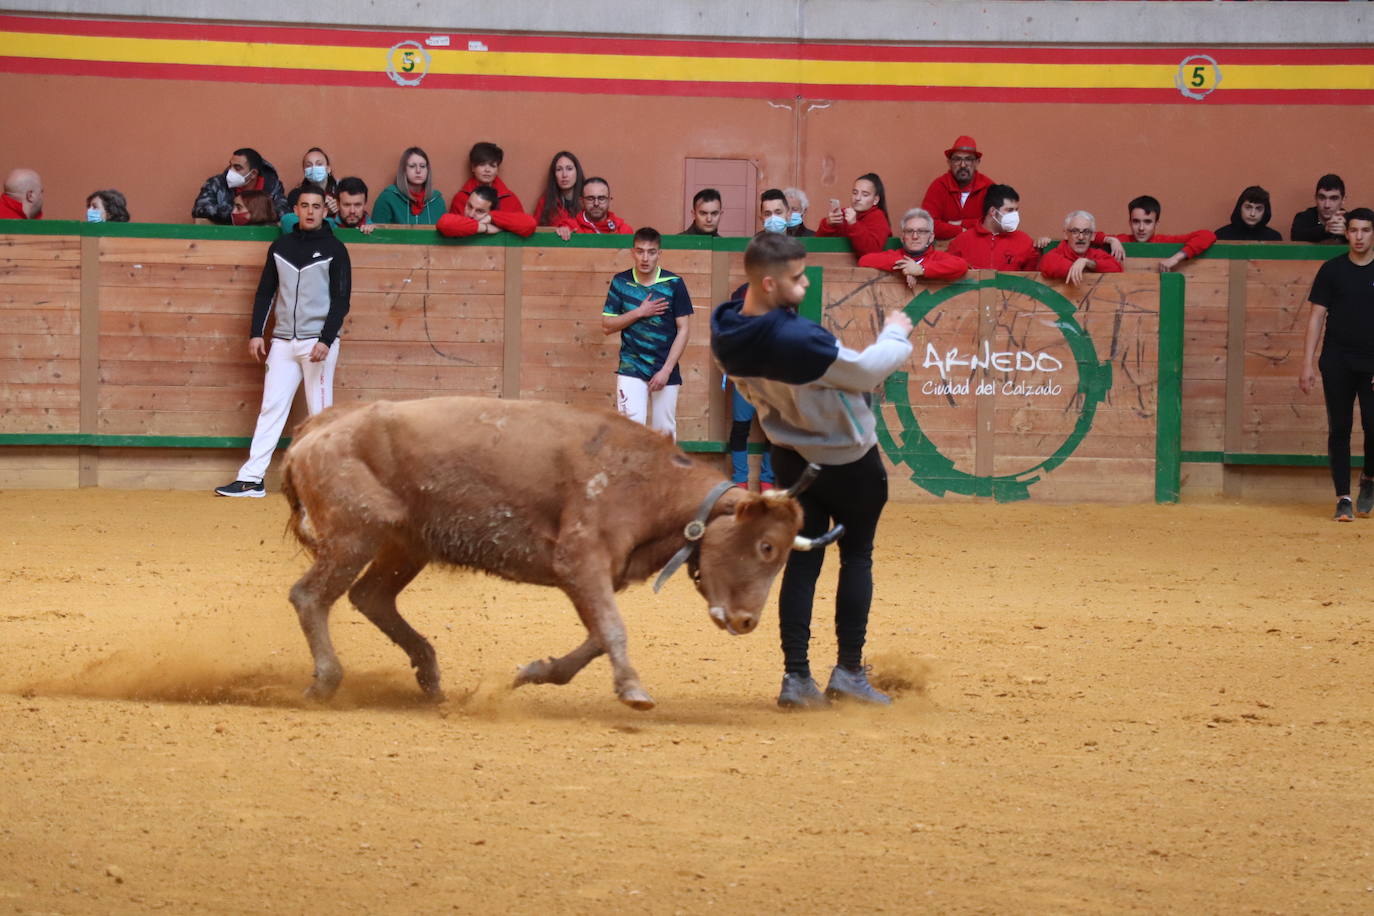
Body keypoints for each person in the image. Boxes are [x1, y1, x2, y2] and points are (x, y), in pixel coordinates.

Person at [711, 232, 912, 708]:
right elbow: (865, 372)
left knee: (802, 564)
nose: (803, 288)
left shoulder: (727, 333)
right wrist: (896, 333)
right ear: (767, 282)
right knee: (857, 556)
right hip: (849, 460)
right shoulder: (798, 340)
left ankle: (796, 678)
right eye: (796, 279)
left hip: (791, 458)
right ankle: (847, 673)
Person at [214, 186, 351, 498]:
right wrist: (255, 333)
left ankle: (325, 483)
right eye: (305, 206)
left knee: (320, 413)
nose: (311, 211)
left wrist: (326, 339)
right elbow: (265, 292)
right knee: (271, 408)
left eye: (317, 206)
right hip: (283, 342)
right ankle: (251, 478)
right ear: (296, 210)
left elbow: (340, 301)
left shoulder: (336, 250)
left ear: (325, 211)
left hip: (318, 343)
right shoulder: (280, 247)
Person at [1298, 207, 1374, 521]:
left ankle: (1369, 477)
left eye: (1365, 230)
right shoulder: (1332, 270)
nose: (1359, 236)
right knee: (1339, 428)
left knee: (1373, 425)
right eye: (1354, 230)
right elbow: (1316, 317)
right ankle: (1342, 497)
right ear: (1346, 233)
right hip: (1337, 360)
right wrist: (1307, 363)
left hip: (1372, 361)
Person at [601, 227, 692, 438]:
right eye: (640, 251)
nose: (645, 257)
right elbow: (607, 325)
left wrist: (667, 370)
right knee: (629, 432)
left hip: (664, 367)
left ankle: (664, 473)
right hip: (631, 367)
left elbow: (684, 329)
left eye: (651, 252)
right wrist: (640, 312)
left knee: (665, 433)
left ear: (659, 254)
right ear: (632, 252)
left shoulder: (674, 283)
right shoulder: (620, 282)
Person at [858, 207, 969, 288]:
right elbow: (864, 260)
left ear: (931, 237)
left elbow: (961, 265)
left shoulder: (938, 257)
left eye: (921, 231)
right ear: (902, 237)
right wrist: (904, 266)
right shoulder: (894, 256)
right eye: (910, 231)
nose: (915, 236)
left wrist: (920, 269)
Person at [1098, 195, 1214, 272]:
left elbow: (1207, 235)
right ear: (1130, 222)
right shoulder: (1122, 240)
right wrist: (1110, 240)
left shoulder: (1165, 241)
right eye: (1136, 221)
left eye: (1147, 222)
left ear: (1156, 224)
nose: (1141, 228)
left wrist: (1175, 259)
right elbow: (1089, 236)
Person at [947, 184, 1041, 270]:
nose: (1015, 215)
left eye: (1016, 210)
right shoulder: (961, 242)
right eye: (1010, 210)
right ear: (993, 211)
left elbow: (1033, 281)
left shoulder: (1024, 241)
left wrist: (1042, 247)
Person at [921, 135, 994, 240]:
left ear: (977, 162)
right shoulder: (938, 186)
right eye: (957, 159)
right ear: (949, 162)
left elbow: (996, 223)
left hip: (982, 248)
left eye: (968, 159)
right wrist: (961, 230)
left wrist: (962, 223)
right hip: (945, 250)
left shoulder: (989, 187)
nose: (963, 165)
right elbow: (926, 224)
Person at [192, 148, 286, 225]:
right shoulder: (216, 183)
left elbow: (283, 211)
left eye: (237, 168)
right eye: (231, 166)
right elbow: (200, 208)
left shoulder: (272, 185)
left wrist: (251, 213)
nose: (231, 171)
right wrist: (236, 214)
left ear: (253, 173)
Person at [816, 172, 891, 257]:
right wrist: (828, 224)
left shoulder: (878, 218)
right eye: (855, 193)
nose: (857, 198)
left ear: (875, 200)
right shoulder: (843, 213)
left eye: (865, 194)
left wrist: (853, 224)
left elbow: (871, 252)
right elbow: (818, 247)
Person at [1039, 210, 1123, 285]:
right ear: (1065, 234)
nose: (1081, 237)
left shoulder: (1097, 254)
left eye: (1086, 232)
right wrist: (1079, 267)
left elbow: (1117, 267)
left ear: (1093, 236)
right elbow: (1047, 263)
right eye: (1075, 231)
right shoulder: (1054, 255)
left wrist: (1087, 263)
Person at [371, 146, 445, 225]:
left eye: (422, 166)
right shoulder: (388, 198)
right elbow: (377, 234)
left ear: (428, 170)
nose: (418, 170)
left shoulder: (437, 201)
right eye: (412, 166)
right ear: (404, 170)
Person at [448, 141, 525, 218]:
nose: (487, 170)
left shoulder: (510, 199)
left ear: (497, 170)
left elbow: (526, 224)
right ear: (473, 167)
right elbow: (450, 226)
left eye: (492, 166)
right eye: (482, 165)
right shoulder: (460, 198)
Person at [281, 176, 376, 235]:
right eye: (346, 205)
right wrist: (319, 211)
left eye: (357, 205)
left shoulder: (371, 227)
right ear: (337, 204)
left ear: (365, 204)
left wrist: (373, 230)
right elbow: (286, 220)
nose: (352, 211)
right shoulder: (328, 224)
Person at [436, 184, 536, 238]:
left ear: (490, 212)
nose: (471, 214)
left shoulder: (493, 218)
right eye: (469, 206)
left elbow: (530, 224)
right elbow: (444, 223)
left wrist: (491, 218)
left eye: (479, 211)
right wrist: (484, 227)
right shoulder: (460, 221)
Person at [535, 151, 584, 240]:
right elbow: (536, 233)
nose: (564, 175)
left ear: (577, 172)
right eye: (559, 169)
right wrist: (556, 231)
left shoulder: (588, 200)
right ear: (554, 175)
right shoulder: (545, 202)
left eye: (569, 169)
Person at [558, 177, 632, 235]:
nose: (596, 203)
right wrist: (562, 232)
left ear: (609, 200)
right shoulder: (569, 227)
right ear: (582, 201)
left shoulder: (623, 230)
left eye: (601, 198)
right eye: (590, 198)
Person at [1291, 174, 1348, 244]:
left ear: (1343, 199)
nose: (1327, 205)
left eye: (1333, 198)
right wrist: (1325, 229)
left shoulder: (1351, 221)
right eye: (1322, 198)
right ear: (1315, 198)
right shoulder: (1303, 217)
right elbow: (1296, 237)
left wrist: (1348, 234)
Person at [284, 147, 339, 218]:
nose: (313, 168)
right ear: (304, 171)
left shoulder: (340, 192)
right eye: (309, 165)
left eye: (319, 164)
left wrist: (339, 208)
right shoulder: (296, 195)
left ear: (328, 169)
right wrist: (322, 208)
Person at [1215, 185, 1283, 242]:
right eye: (1248, 207)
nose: (1252, 214)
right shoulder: (1222, 235)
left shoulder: (1273, 238)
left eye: (1258, 209)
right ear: (1239, 208)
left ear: (1265, 212)